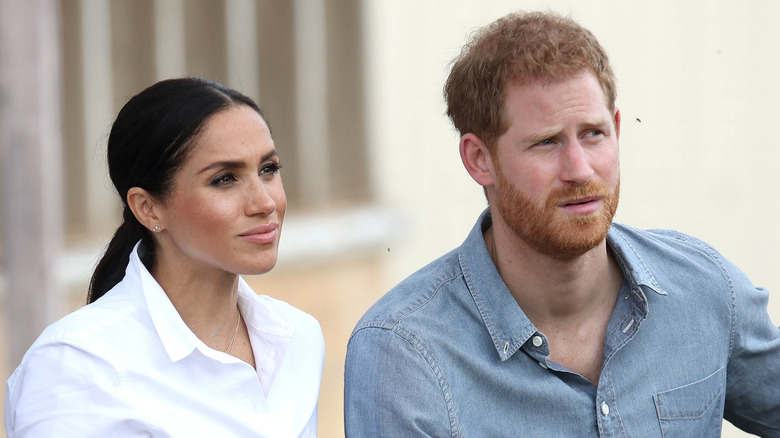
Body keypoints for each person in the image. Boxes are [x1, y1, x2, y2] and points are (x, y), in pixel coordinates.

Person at [344, 11, 780, 437]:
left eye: (593, 134)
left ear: (617, 128)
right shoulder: (404, 355)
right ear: (480, 160)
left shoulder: (704, 289)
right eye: (547, 142)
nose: (580, 169)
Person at [5, 78, 324, 437]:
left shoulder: (297, 338)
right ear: (148, 208)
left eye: (268, 169)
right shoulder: (79, 365)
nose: (265, 203)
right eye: (224, 179)